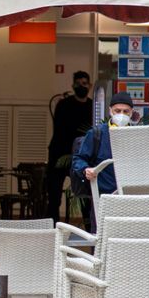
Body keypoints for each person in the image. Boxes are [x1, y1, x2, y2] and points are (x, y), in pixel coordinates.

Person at [71, 91, 135, 231]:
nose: (121, 115)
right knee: (101, 238)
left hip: (132, 197)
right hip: (103, 197)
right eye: (117, 111)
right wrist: (85, 169)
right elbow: (79, 158)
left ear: (132, 113)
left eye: (126, 111)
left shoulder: (137, 135)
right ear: (110, 111)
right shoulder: (97, 134)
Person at [46, 71, 94, 223]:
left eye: (84, 84)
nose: (81, 87)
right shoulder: (63, 105)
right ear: (73, 86)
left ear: (90, 86)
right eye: (78, 84)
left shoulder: (93, 106)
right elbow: (60, 130)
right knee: (54, 196)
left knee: (86, 197)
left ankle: (90, 232)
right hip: (60, 154)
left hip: (82, 155)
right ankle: (52, 230)